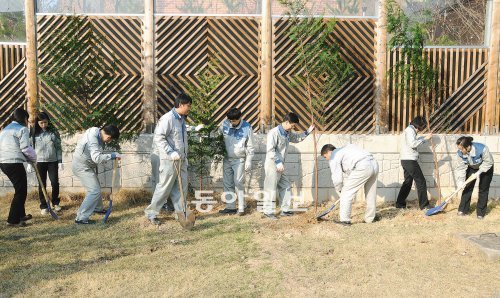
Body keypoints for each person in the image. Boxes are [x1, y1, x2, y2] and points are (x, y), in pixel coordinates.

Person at [144, 93, 192, 225]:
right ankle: (151, 214)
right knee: (164, 188)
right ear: (181, 105)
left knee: (182, 188)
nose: (189, 108)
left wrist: (184, 156)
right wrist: (171, 152)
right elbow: (159, 138)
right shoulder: (167, 119)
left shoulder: (181, 119)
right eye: (188, 106)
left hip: (181, 159)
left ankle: (181, 214)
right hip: (169, 159)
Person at [262, 112, 314, 219]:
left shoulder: (287, 132)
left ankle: (285, 210)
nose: (293, 127)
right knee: (270, 187)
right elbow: (270, 151)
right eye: (292, 125)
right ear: (286, 122)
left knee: (285, 185)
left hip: (280, 165)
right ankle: (268, 211)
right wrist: (278, 162)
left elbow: (296, 138)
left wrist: (308, 132)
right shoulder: (274, 133)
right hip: (273, 164)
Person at [73, 125, 121, 224]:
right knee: (94, 190)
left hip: (87, 165)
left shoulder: (97, 131)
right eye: (110, 140)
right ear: (108, 137)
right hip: (81, 166)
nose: (108, 142)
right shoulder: (93, 138)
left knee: (96, 187)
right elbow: (96, 158)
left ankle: (97, 208)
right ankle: (81, 218)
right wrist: (112, 155)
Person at [320, 144, 379, 225]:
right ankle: (370, 218)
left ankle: (344, 220)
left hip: (362, 166)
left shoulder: (334, 156)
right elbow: (351, 172)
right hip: (374, 163)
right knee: (371, 193)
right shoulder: (346, 148)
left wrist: (340, 189)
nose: (326, 159)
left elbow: (337, 178)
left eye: (325, 156)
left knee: (346, 193)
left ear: (329, 152)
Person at [0, 108, 36, 227]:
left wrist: (28, 159)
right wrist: (34, 158)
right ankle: (12, 220)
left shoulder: (5, 129)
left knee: (19, 189)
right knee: (21, 191)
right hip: (13, 162)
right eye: (27, 119)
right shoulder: (22, 129)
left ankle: (21, 215)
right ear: (25, 119)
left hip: (3, 163)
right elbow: (25, 148)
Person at [218, 107, 255, 215]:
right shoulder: (224, 124)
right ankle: (230, 207)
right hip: (227, 158)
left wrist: (249, 160)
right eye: (230, 120)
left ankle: (242, 207)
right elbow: (217, 138)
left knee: (238, 183)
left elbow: (251, 146)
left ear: (240, 118)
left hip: (239, 159)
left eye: (234, 120)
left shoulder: (247, 127)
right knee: (227, 183)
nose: (232, 123)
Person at [27, 112, 63, 215]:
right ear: (37, 123)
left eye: (45, 122)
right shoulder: (33, 133)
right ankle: (44, 205)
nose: (43, 125)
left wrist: (60, 161)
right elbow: (30, 149)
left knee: (55, 182)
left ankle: (55, 203)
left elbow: (58, 147)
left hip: (53, 161)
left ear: (48, 122)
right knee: (41, 184)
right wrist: (30, 163)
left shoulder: (53, 132)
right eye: (41, 123)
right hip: (40, 162)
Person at [395, 116, 433, 210]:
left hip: (406, 159)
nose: (421, 129)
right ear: (419, 126)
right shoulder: (410, 131)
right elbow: (412, 144)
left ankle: (400, 203)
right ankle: (424, 205)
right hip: (410, 160)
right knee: (421, 181)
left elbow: (412, 142)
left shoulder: (409, 130)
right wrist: (425, 139)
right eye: (422, 127)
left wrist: (423, 138)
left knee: (408, 182)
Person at [455, 136, 494, 219]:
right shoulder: (459, 153)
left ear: (468, 147)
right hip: (472, 167)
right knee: (467, 186)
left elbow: (488, 162)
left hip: (486, 168)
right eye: (459, 149)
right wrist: (460, 181)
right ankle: (463, 209)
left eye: (462, 149)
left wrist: (479, 172)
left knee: (483, 189)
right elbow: (460, 168)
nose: (460, 151)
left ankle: (480, 213)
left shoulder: (482, 148)